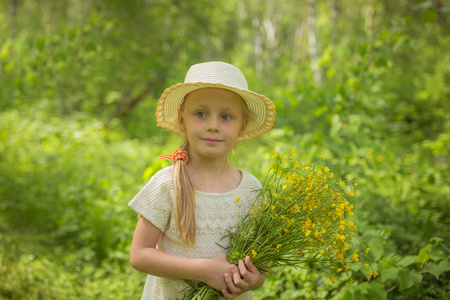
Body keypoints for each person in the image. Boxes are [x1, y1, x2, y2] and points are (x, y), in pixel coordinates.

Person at [128, 61, 276, 299]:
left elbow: (261, 267)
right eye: (200, 114)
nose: (213, 125)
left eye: (226, 116)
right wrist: (203, 271)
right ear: (182, 120)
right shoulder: (167, 184)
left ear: (242, 126)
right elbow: (139, 254)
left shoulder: (252, 190)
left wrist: (253, 279)